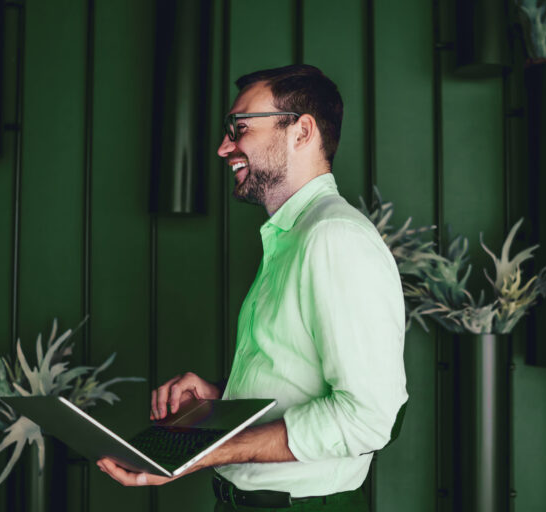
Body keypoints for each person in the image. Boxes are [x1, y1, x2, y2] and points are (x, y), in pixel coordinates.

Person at [98, 64, 407, 511]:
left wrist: (202, 450)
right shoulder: (294, 236)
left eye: (240, 128)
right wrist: (224, 397)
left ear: (301, 131)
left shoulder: (333, 237)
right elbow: (297, 374)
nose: (225, 147)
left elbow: (368, 418)